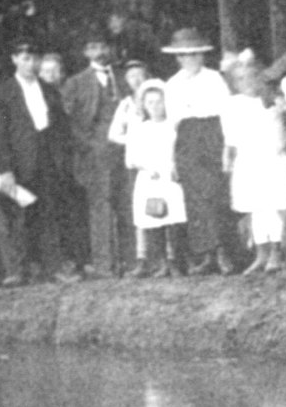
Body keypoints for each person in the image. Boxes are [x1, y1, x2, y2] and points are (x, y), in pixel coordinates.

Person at [0, 40, 77, 286]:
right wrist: (7, 169)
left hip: (48, 159)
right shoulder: (4, 93)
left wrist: (61, 160)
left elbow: (61, 128)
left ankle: (52, 267)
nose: (30, 64)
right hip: (20, 162)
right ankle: (19, 271)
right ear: (14, 60)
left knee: (49, 214)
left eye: (34, 59)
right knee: (20, 216)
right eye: (24, 59)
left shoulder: (49, 90)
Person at [163, 27, 235, 274]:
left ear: (202, 56)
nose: (188, 60)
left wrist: (227, 147)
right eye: (183, 56)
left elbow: (227, 113)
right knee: (194, 200)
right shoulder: (171, 84)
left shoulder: (214, 78)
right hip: (186, 139)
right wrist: (172, 159)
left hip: (212, 134)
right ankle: (206, 254)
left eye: (193, 54)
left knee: (214, 195)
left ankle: (224, 252)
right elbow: (172, 124)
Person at [61, 33, 127, 277]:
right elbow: (69, 123)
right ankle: (104, 264)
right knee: (101, 206)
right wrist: (89, 145)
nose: (99, 51)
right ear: (85, 53)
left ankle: (130, 261)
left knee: (127, 203)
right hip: (95, 151)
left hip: (126, 147)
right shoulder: (75, 83)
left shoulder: (122, 77)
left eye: (102, 45)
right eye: (92, 47)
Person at [220, 53, 286, 273]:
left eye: (252, 77)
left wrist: (284, 139)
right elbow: (230, 137)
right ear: (234, 83)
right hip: (248, 159)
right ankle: (262, 252)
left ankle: (278, 252)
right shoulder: (232, 104)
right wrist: (227, 158)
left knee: (273, 204)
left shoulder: (273, 100)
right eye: (241, 79)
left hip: (272, 157)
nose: (247, 82)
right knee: (256, 207)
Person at [122, 79, 187, 276]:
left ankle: (175, 261)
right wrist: (149, 168)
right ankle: (162, 263)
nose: (155, 107)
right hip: (150, 177)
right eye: (150, 102)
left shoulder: (173, 126)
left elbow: (181, 150)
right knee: (154, 220)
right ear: (143, 105)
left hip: (170, 176)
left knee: (173, 220)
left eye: (159, 101)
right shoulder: (140, 128)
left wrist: (176, 165)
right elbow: (130, 159)